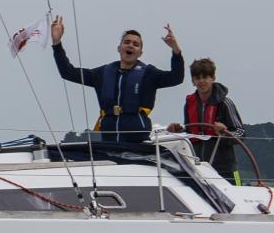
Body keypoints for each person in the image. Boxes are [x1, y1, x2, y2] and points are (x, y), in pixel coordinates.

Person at [50, 16, 184, 143]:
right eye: (126, 42)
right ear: (119, 48)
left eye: (136, 44)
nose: (130, 45)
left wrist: (176, 51)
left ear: (140, 53)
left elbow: (176, 78)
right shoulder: (102, 73)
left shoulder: (149, 74)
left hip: (137, 142)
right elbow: (68, 73)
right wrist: (57, 44)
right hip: (108, 140)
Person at [168, 58, 245, 184]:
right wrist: (179, 129)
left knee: (237, 194)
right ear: (193, 81)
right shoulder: (189, 104)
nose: (201, 81)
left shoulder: (225, 103)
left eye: (205, 77)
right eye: (197, 78)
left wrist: (224, 133)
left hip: (225, 170)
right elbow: (189, 131)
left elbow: (241, 133)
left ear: (213, 78)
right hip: (198, 170)